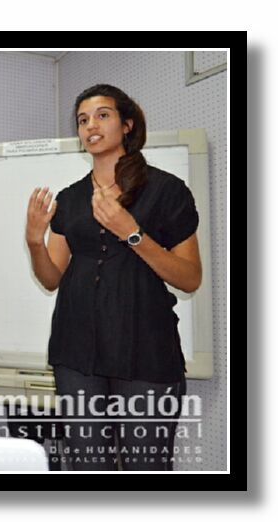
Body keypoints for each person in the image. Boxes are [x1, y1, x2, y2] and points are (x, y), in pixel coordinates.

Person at [25, 84, 201, 471]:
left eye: (102, 115)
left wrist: (132, 233)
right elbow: (51, 278)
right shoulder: (70, 199)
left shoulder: (167, 190)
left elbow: (190, 278)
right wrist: (35, 242)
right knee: (87, 467)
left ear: (127, 125)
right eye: (83, 120)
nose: (91, 125)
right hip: (77, 353)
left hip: (147, 351)